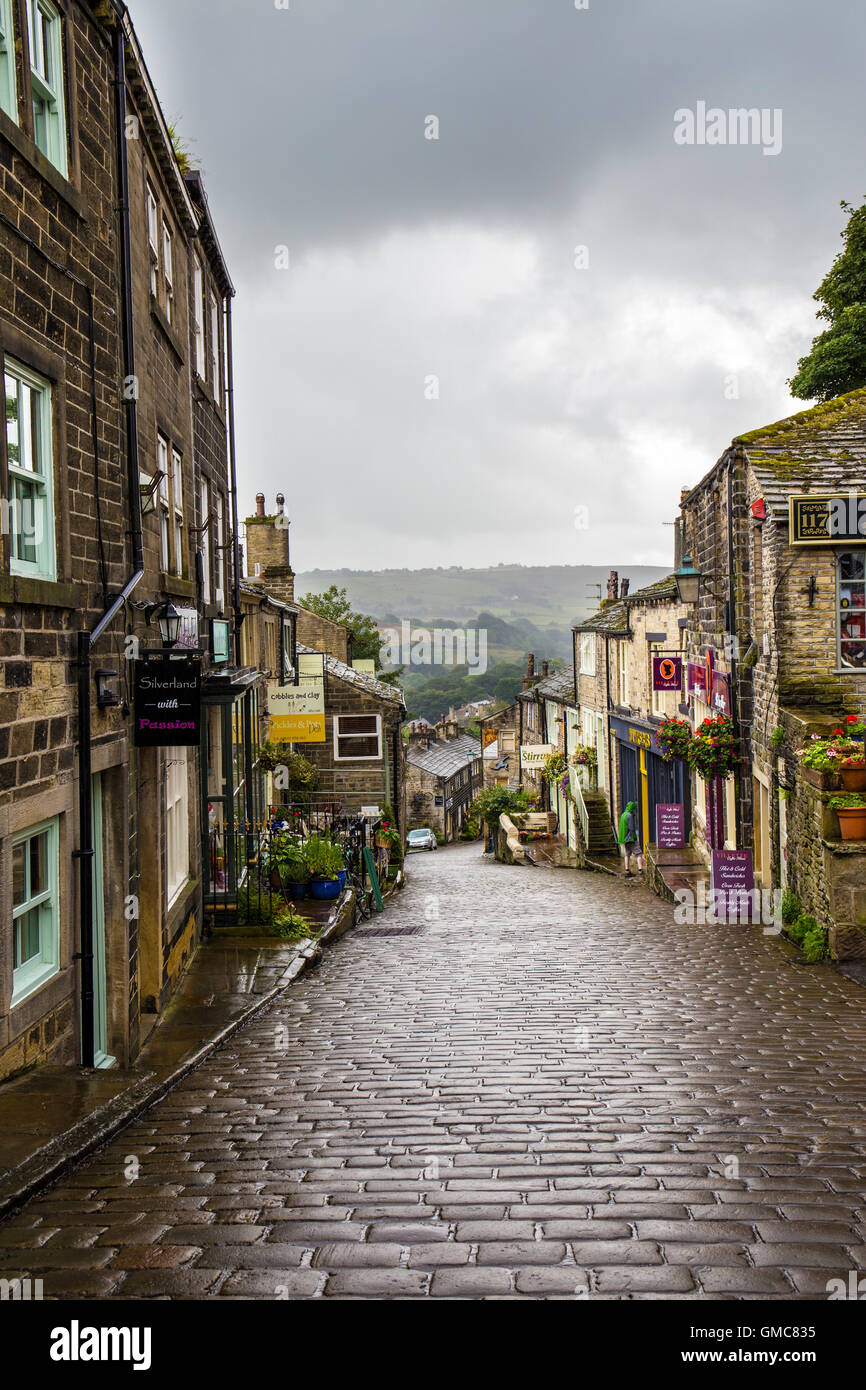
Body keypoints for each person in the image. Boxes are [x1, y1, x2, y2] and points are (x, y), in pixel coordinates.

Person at [617, 801, 644, 877]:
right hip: (630, 838)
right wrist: (635, 837)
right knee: (638, 853)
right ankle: (640, 870)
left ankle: (627, 870)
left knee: (627, 854)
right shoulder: (629, 815)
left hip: (624, 839)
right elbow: (631, 828)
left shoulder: (623, 814)